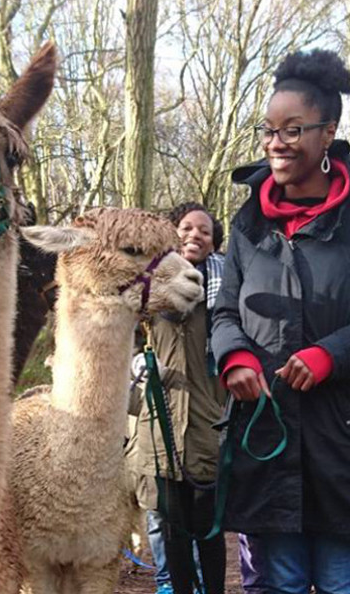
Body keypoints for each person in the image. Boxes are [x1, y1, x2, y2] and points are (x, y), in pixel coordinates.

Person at [210, 49, 350, 594]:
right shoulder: (248, 222)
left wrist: (330, 355)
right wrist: (234, 357)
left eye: (292, 129)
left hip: (344, 440)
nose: (276, 142)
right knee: (277, 582)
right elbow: (225, 310)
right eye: (268, 129)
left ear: (328, 133)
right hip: (267, 435)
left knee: (337, 583)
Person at [130, 202, 228, 594]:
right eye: (186, 227)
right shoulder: (147, 292)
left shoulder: (225, 293)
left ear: (214, 242)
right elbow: (127, 338)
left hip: (208, 428)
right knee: (173, 535)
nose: (194, 235)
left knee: (209, 532)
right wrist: (137, 361)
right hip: (161, 428)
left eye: (204, 230)